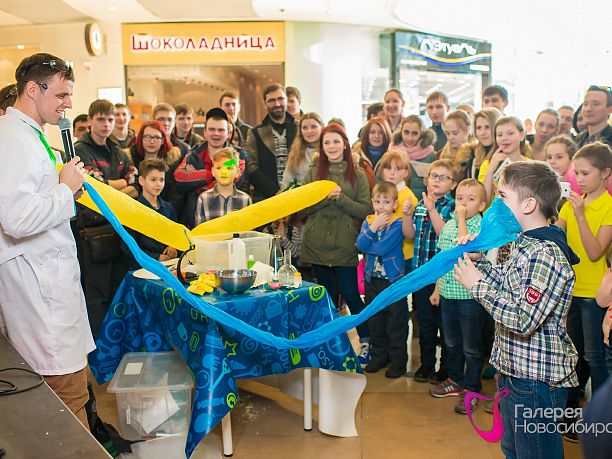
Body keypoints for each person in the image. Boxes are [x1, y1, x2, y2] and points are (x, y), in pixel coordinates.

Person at [453, 161, 579, 459]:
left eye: (502, 196)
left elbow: (523, 319)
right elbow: (508, 285)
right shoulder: (525, 243)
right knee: (514, 450)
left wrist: (476, 285)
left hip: (536, 381)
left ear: (528, 205)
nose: (496, 204)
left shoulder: (545, 255)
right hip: (514, 372)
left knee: (535, 453)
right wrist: (480, 264)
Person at [0, 53, 94, 426]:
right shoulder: (14, 139)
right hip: (40, 293)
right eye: (61, 95)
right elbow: (16, 218)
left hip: (47, 282)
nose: (68, 104)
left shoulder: (29, 134)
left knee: (70, 392)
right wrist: (64, 190)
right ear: (32, 90)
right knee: (66, 399)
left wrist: (64, 190)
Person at [300, 123, 373, 365]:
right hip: (317, 245)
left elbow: (365, 208)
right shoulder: (313, 172)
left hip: (345, 246)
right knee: (327, 298)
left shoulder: (358, 174)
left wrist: (340, 198)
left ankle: (366, 340)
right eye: (327, 142)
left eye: (336, 141)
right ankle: (332, 344)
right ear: (321, 147)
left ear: (345, 144)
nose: (331, 146)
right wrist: (325, 197)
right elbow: (303, 207)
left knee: (352, 295)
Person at [557, 142, 612, 441]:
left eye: (585, 173)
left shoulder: (608, 207)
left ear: (605, 173)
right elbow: (555, 239)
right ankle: (569, 414)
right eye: (576, 173)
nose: (579, 179)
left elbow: (594, 252)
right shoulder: (571, 203)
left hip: (593, 294)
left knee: (595, 357)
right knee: (572, 355)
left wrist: (580, 215)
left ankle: (601, 420)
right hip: (570, 290)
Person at [75, 99, 138, 336]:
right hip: (93, 230)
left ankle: (114, 343)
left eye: (110, 119)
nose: (106, 124)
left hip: (119, 228)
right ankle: (97, 347)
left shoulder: (118, 151)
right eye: (101, 119)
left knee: (117, 291)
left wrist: (108, 188)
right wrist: (118, 186)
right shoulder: (81, 149)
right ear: (90, 120)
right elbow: (94, 185)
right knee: (96, 295)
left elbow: (136, 183)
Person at [428, 179, 487, 414]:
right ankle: (454, 379)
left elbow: (467, 250)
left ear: (481, 205)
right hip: (448, 293)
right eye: (460, 198)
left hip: (469, 297)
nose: (463, 203)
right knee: (451, 342)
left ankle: (471, 388)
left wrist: (462, 219)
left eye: (470, 199)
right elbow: (443, 258)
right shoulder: (450, 224)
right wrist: (437, 289)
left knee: (471, 346)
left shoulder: (480, 225)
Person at [403, 159, 456, 383]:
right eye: (434, 175)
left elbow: (445, 235)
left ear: (453, 184)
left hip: (443, 275)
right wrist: (407, 216)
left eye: (444, 177)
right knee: (424, 322)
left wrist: (433, 210)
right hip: (421, 274)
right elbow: (409, 235)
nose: (437, 180)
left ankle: (445, 367)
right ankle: (426, 363)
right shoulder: (420, 205)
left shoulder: (453, 207)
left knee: (444, 323)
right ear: (427, 179)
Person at [356, 181, 407, 378]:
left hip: (393, 282)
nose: (381, 206)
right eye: (377, 201)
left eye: (386, 202)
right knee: (375, 321)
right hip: (372, 281)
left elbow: (382, 248)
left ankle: (397, 362)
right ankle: (379, 357)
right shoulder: (369, 221)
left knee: (395, 323)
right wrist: (374, 226)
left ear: (395, 204)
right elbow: (360, 244)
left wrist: (369, 239)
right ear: (372, 202)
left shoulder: (397, 223)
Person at [174, 107, 245, 227]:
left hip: (229, 221)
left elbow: (232, 180)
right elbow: (179, 177)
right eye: (212, 129)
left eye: (221, 130)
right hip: (197, 221)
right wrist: (211, 174)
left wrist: (196, 185)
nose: (216, 133)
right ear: (205, 133)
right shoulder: (194, 154)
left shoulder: (238, 155)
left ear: (228, 134)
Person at [245, 83, 298, 202]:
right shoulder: (254, 132)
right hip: (266, 198)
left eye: (280, 99)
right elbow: (251, 167)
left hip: (297, 196)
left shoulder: (300, 128)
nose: (277, 104)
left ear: (286, 100)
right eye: (272, 100)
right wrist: (275, 192)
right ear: (265, 104)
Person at [125, 159, 178, 267]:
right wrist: (156, 257)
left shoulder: (169, 208)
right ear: (141, 180)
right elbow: (128, 248)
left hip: (169, 265)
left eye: (162, 180)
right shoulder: (132, 211)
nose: (158, 184)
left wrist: (173, 246)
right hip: (142, 267)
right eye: (153, 180)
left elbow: (176, 233)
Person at [375, 151, 418, 274]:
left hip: (403, 254)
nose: (392, 173)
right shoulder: (381, 192)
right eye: (388, 168)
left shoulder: (408, 196)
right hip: (385, 250)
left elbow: (407, 230)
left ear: (406, 173)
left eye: (397, 169)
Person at [127, 120, 182, 213]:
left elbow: (175, 196)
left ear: (163, 140)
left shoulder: (173, 163)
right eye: (147, 136)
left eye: (156, 137)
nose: (152, 141)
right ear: (141, 139)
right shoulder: (129, 161)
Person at [195, 147, 252, 224]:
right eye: (219, 168)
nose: (224, 172)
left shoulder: (245, 199)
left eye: (229, 168)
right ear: (213, 171)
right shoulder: (203, 198)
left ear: (237, 172)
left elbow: (248, 228)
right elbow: (199, 229)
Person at [479, 116, 530, 202]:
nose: (504, 138)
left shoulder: (531, 165)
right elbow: (483, 201)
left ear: (521, 135)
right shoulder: (487, 165)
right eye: (500, 135)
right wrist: (491, 169)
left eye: (510, 133)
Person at [389, 115, 436, 197]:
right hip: (396, 201)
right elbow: (381, 181)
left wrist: (431, 182)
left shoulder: (430, 155)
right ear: (401, 131)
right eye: (406, 132)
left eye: (415, 133)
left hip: (422, 202)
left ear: (421, 134)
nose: (409, 138)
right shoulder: (392, 152)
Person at [455, 107, 502, 181]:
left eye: (487, 127)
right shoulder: (470, 154)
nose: (482, 132)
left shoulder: (505, 155)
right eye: (479, 128)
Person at [280, 112, 323, 190]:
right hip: (301, 194)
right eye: (305, 128)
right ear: (300, 131)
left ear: (322, 128)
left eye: (313, 127)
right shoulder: (295, 152)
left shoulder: (330, 150)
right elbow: (286, 182)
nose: (309, 131)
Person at [353, 117, 392, 189]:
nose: (376, 136)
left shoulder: (393, 158)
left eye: (381, 133)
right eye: (372, 132)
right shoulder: (355, 158)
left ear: (386, 134)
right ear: (366, 134)